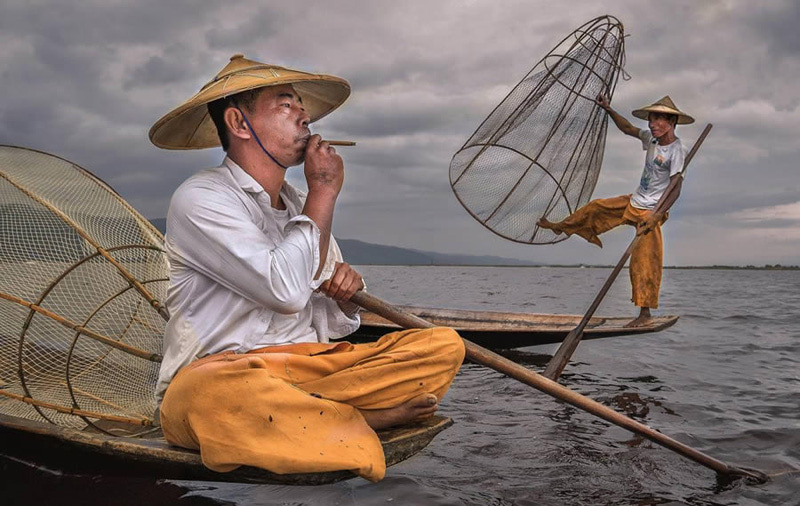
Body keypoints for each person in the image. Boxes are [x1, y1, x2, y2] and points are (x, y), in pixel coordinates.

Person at [148, 54, 464, 482]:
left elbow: (330, 317)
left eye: (302, 105)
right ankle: (360, 420)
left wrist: (345, 292)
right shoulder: (202, 198)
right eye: (286, 105)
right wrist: (325, 191)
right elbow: (285, 292)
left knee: (442, 346)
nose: (305, 115)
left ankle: (318, 417)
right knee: (206, 396)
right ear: (240, 124)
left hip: (307, 373)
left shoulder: (298, 205)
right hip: (225, 374)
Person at [538, 95, 694, 327]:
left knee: (644, 259)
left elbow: (675, 188)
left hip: (653, 210)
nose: (652, 124)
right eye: (651, 119)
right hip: (635, 201)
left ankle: (644, 314)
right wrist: (609, 109)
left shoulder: (677, 150)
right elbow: (628, 128)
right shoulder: (651, 138)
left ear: (671, 122)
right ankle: (562, 228)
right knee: (597, 207)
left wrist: (655, 216)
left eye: (657, 120)